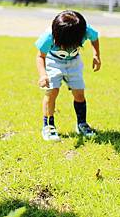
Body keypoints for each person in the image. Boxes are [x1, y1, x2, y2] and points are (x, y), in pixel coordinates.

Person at [35, 10, 101, 141]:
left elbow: (94, 37)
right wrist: (43, 75)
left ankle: (81, 124)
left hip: (74, 62)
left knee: (79, 94)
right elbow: (40, 56)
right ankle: (48, 126)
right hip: (54, 62)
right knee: (52, 92)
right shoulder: (49, 36)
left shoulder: (84, 30)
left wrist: (96, 55)